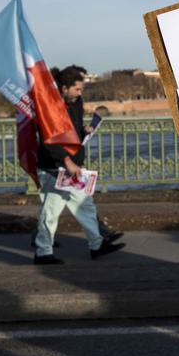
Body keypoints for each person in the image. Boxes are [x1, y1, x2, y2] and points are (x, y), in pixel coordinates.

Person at [33, 65, 125, 264]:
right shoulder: (48, 106)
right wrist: (66, 161)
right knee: (51, 211)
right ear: (64, 88)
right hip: (54, 167)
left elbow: (71, 130)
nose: (80, 93)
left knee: (85, 205)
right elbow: (49, 138)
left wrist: (85, 131)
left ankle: (96, 245)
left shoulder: (75, 102)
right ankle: (43, 252)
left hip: (71, 165)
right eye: (77, 89)